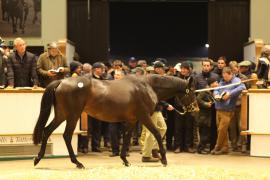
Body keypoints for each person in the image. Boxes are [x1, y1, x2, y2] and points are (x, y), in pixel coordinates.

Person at [211, 67, 246, 155]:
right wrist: (216, 95)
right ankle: (225, 147)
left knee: (222, 129)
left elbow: (242, 87)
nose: (225, 78)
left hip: (227, 110)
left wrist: (230, 94)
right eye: (224, 76)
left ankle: (217, 146)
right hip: (218, 108)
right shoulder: (222, 81)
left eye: (226, 77)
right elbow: (216, 89)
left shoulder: (236, 80)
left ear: (231, 74)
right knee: (221, 130)